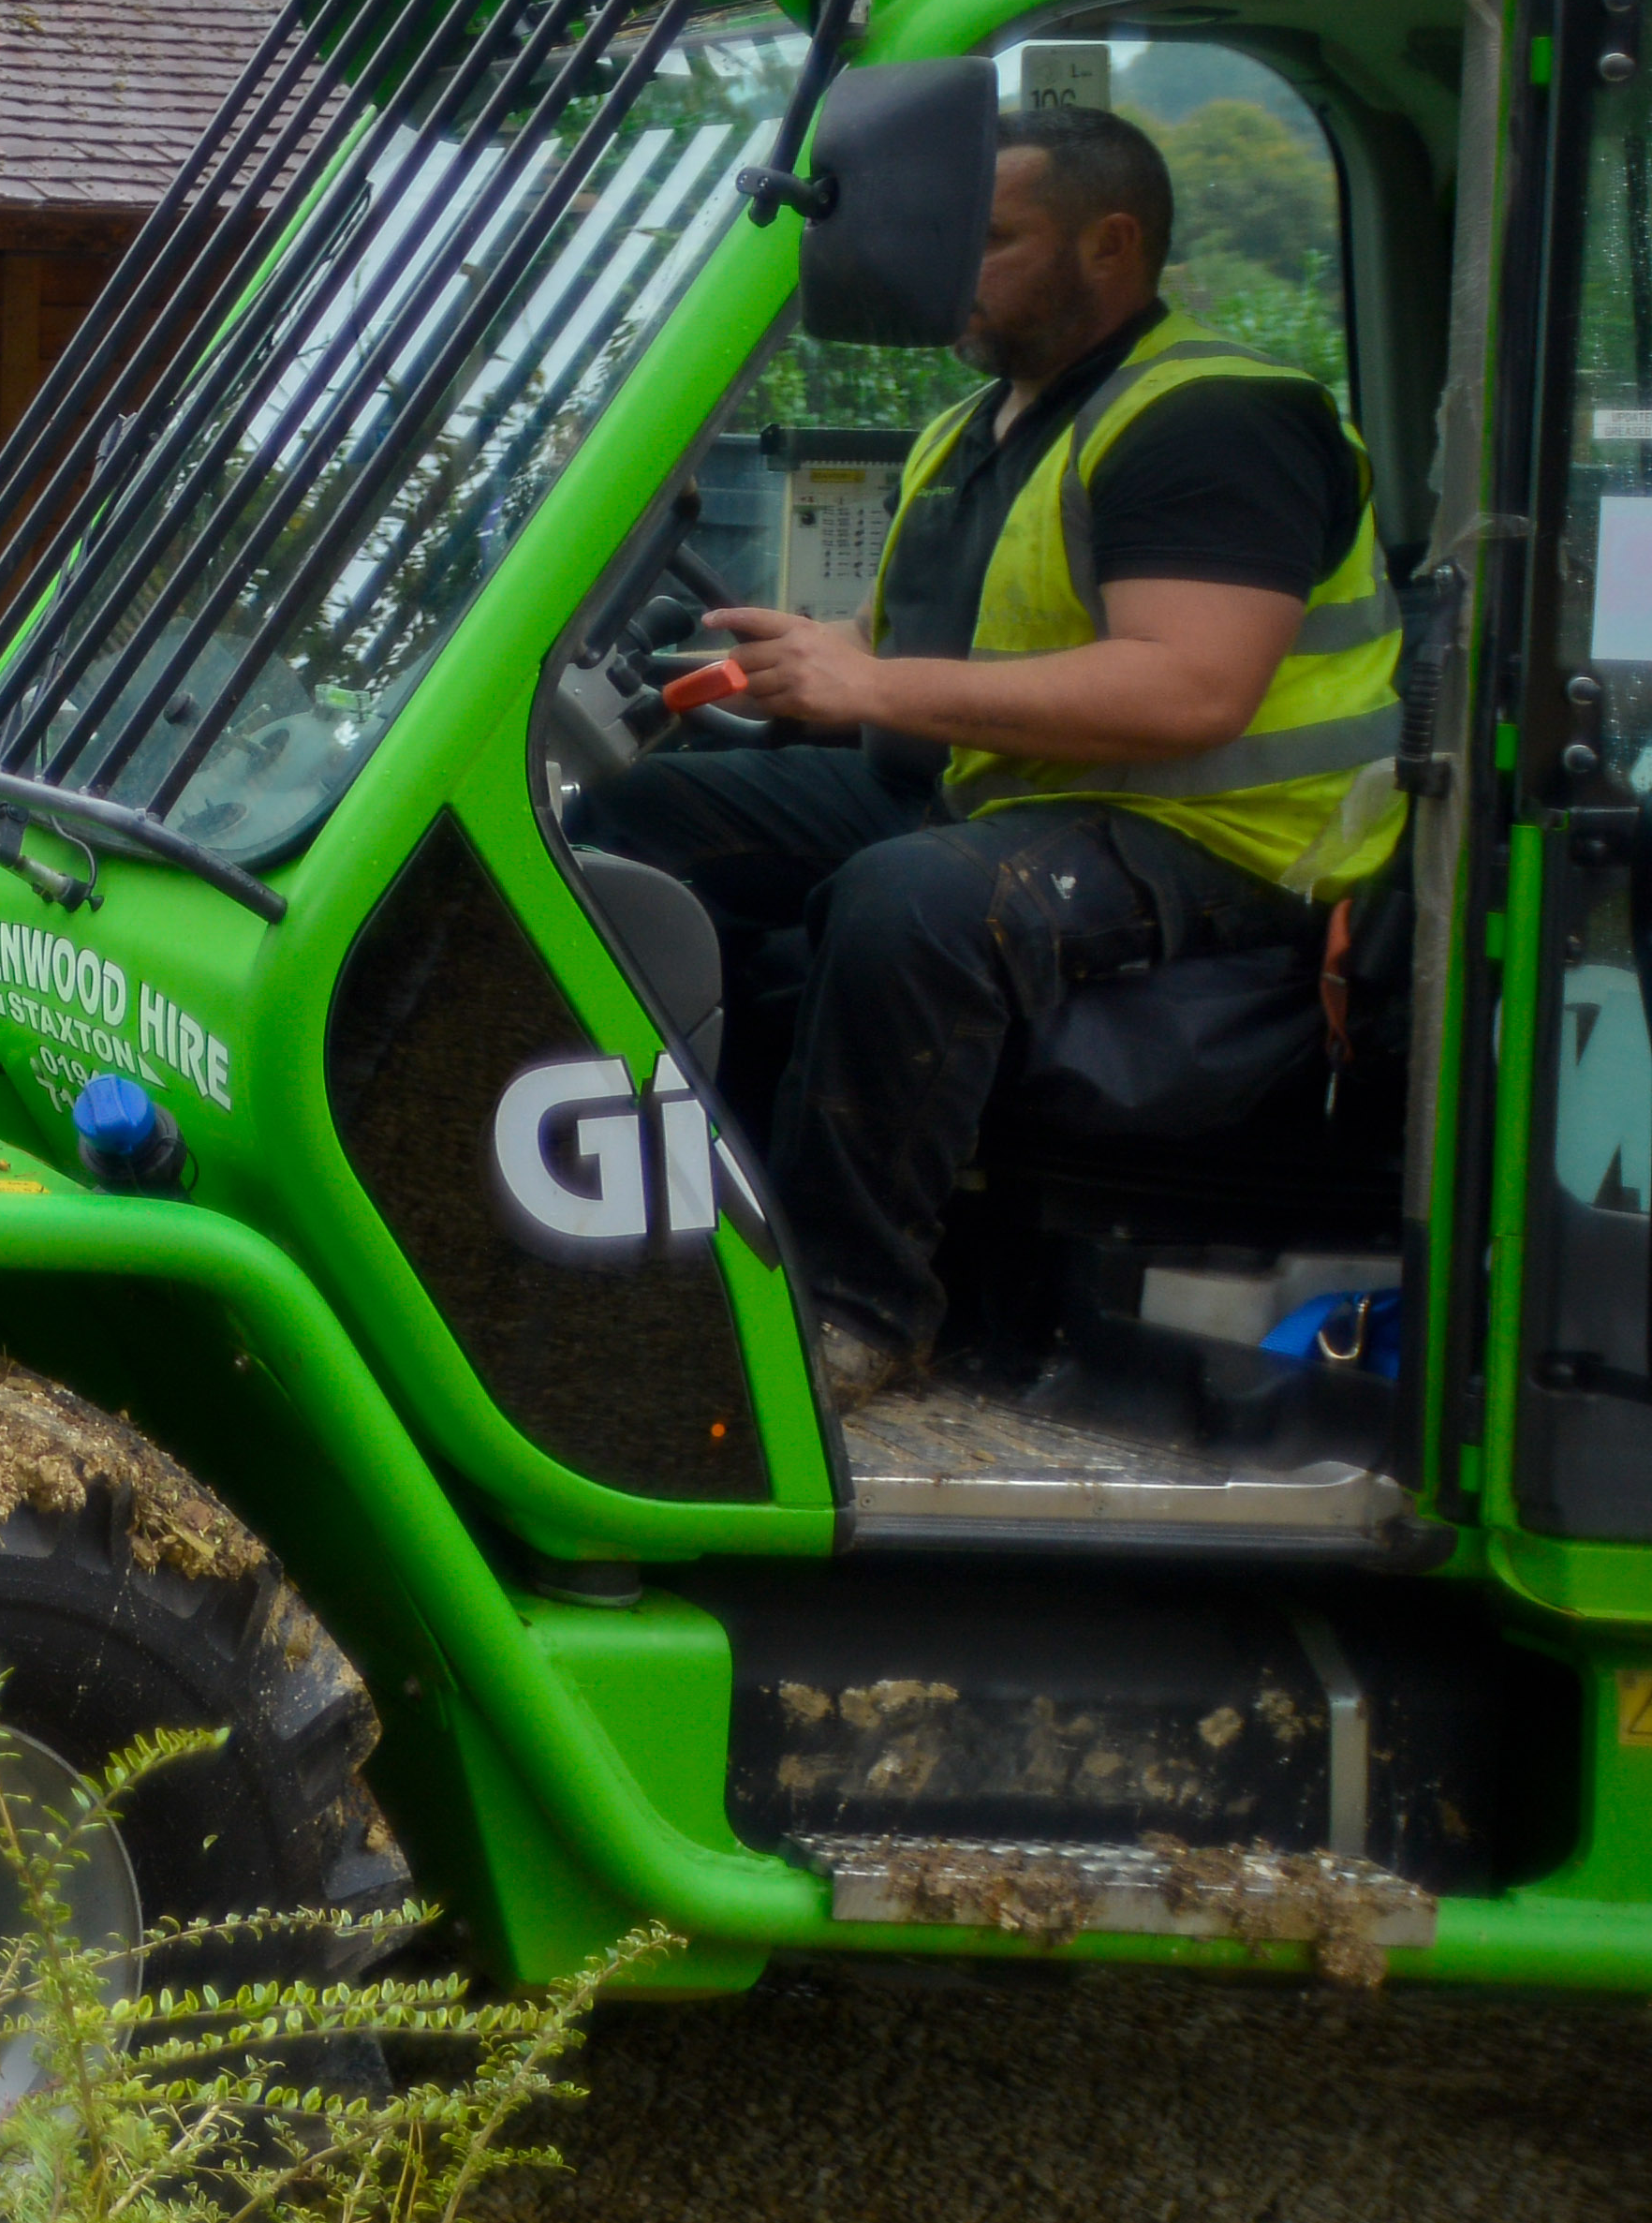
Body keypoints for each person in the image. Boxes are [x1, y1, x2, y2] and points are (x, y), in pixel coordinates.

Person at [581, 103, 1404, 1414]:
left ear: (1111, 244)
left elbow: (1194, 685)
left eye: (996, 240)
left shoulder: (1218, 421)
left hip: (1228, 844)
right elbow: (915, 643)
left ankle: (857, 1310)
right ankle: (663, 1218)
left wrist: (875, 680)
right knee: (641, 817)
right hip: (1021, 795)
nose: (956, 271)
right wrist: (807, 659)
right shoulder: (975, 431)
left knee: (913, 901)